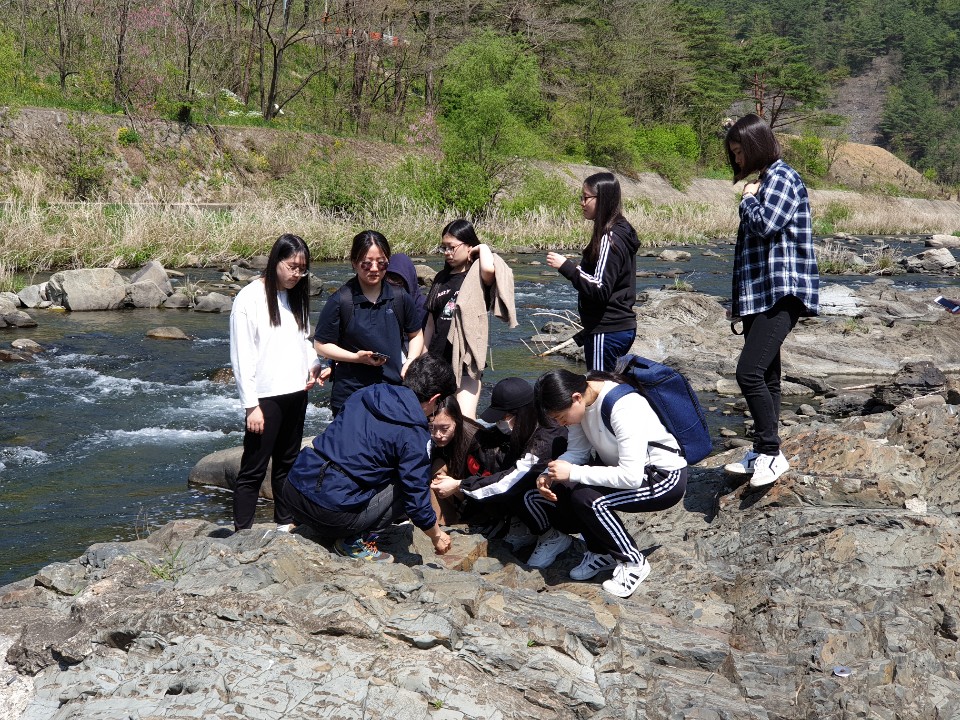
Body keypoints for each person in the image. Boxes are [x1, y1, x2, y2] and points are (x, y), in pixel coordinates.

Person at [525, 367, 687, 599]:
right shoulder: (581, 403)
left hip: (663, 478)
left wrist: (573, 472)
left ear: (576, 398)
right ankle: (601, 552)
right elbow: (578, 453)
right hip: (628, 473)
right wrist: (552, 472)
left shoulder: (624, 406)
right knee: (566, 485)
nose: (561, 424)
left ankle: (633, 562)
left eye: (561, 418)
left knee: (590, 500)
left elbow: (630, 477)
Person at [282, 353, 457, 562]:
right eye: (438, 406)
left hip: (294, 490)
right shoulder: (414, 433)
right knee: (407, 483)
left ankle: (309, 521)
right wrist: (436, 536)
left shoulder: (369, 392)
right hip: (331, 514)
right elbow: (416, 499)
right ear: (435, 399)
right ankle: (355, 543)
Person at [722, 114, 819, 488]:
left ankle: (771, 452)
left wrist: (747, 200)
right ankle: (764, 451)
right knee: (768, 376)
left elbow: (765, 224)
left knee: (748, 373)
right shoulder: (767, 179)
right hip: (759, 294)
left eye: (740, 150)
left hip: (782, 292)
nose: (737, 160)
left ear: (757, 145)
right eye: (733, 153)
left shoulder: (782, 177)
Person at [229, 233, 324, 532]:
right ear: (275, 261)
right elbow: (241, 355)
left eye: (302, 268)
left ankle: (284, 524)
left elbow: (304, 340)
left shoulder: (295, 296)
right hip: (265, 397)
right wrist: (250, 405)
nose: (297, 274)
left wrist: (314, 364)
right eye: (292, 266)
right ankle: (241, 532)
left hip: (296, 393)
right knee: (253, 469)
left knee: (288, 464)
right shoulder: (249, 298)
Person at [431, 377, 567, 536]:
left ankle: (550, 536)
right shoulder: (522, 428)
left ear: (521, 414)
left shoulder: (544, 440)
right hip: (528, 486)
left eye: (503, 418)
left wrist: (459, 485)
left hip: (558, 498)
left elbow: (510, 482)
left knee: (517, 490)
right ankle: (519, 525)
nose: (500, 423)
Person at [314, 230, 424, 416]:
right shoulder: (341, 300)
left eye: (381, 263)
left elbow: (416, 334)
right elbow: (321, 345)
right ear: (354, 263)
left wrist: (410, 362)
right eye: (366, 263)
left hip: (393, 391)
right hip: (351, 396)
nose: (374, 268)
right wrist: (356, 357)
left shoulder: (399, 297)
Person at [423, 219, 517, 418]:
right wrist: (422, 355)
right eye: (444, 248)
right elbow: (431, 321)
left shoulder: (476, 276)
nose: (447, 253)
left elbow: (490, 270)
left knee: (464, 420)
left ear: (468, 246)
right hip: (437, 359)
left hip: (465, 361)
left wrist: (481, 247)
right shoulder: (440, 278)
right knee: (435, 420)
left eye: (452, 247)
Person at [546, 172, 640, 371]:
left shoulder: (611, 236)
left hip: (607, 330)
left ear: (602, 199)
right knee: (610, 388)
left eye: (586, 197)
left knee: (598, 391)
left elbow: (600, 288)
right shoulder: (619, 230)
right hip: (613, 328)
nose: (582, 202)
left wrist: (567, 267)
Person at [426, 395, 485, 525]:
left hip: (474, 492)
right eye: (432, 427)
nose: (437, 435)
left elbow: (485, 482)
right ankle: (443, 522)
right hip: (453, 476)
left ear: (457, 422)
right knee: (437, 475)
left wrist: (458, 486)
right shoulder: (426, 433)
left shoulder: (475, 440)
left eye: (445, 428)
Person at [385, 252, 428, 330]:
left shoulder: (425, 307)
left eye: (398, 281)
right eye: (389, 278)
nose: (394, 286)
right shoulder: (384, 305)